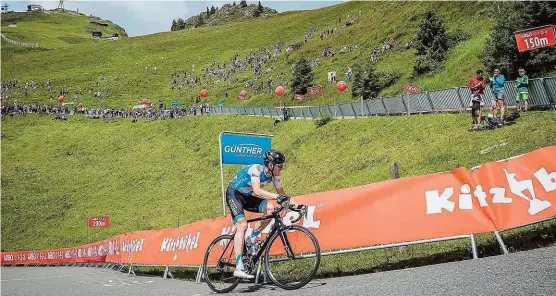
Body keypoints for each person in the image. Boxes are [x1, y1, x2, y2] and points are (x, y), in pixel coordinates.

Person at [226, 150, 293, 279]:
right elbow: (257, 191)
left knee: (270, 209)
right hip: (234, 194)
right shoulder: (256, 169)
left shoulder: (274, 176)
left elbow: (283, 194)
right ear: (271, 165)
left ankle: (252, 236)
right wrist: (277, 197)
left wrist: (296, 206)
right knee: (242, 225)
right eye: (280, 166)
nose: (282, 168)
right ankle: (239, 266)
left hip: (247, 195)